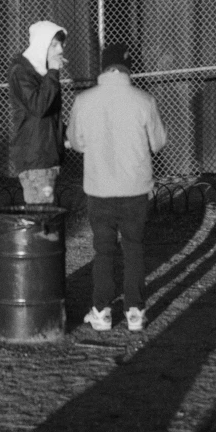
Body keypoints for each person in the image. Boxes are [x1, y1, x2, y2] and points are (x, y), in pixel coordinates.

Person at [67, 43, 167, 332]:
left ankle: (101, 311)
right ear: (128, 68)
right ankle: (135, 311)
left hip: (99, 188)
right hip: (135, 188)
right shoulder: (144, 100)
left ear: (103, 67)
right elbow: (158, 143)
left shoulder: (84, 101)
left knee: (104, 250)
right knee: (134, 248)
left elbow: (77, 142)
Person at [8, 20, 67, 204]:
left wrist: (63, 137)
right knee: (42, 222)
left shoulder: (42, 73)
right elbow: (39, 107)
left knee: (46, 219)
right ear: (42, 45)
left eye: (61, 45)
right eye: (54, 45)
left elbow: (47, 115)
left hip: (45, 156)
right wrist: (53, 71)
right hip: (37, 159)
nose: (60, 50)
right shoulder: (22, 71)